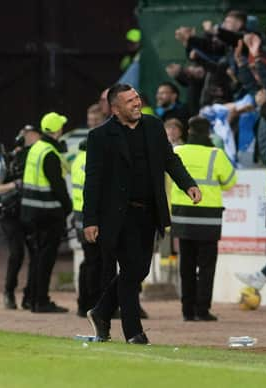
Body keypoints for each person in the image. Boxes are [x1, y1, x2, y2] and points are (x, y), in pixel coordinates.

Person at [83, 83, 201, 344]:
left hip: (149, 212)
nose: (137, 103)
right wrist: (89, 220)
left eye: (137, 98)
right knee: (130, 268)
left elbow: (170, 160)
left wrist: (188, 184)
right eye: (129, 101)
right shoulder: (100, 136)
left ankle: (101, 312)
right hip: (118, 215)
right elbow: (93, 181)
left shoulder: (154, 125)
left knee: (139, 270)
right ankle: (134, 332)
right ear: (115, 108)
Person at [171, 116, 236, 321]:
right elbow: (229, 183)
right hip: (208, 218)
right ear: (208, 133)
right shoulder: (216, 154)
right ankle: (202, 309)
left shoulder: (177, 151)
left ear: (188, 131)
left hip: (183, 216)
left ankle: (187, 311)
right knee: (206, 267)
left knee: (186, 265)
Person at [20, 112, 73, 313]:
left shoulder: (37, 148)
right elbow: (58, 186)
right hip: (48, 214)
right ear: (57, 130)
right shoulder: (50, 153)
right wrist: (67, 208)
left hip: (30, 213)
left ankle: (32, 299)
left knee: (37, 258)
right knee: (46, 258)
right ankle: (41, 301)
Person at [1, 126, 38, 310]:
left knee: (35, 253)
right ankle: (8, 292)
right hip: (10, 212)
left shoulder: (35, 156)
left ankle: (29, 296)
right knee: (17, 253)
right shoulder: (8, 160)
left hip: (29, 211)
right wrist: (16, 184)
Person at [72, 139, 103, 317]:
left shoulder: (78, 159)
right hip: (92, 217)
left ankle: (83, 304)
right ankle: (93, 304)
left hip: (80, 214)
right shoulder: (93, 161)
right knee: (96, 262)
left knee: (88, 261)